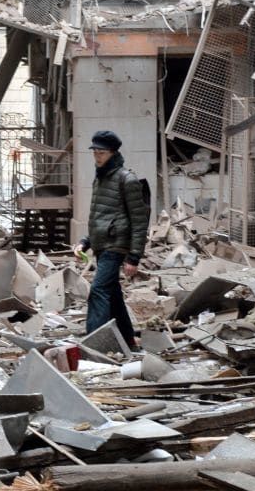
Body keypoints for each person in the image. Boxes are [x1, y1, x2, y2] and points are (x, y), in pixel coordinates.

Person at [73, 130, 150, 350]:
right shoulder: (100, 179)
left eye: (102, 152)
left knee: (98, 291)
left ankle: (92, 347)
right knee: (112, 294)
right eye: (94, 151)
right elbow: (101, 217)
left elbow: (139, 221)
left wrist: (134, 256)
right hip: (102, 243)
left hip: (116, 245)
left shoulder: (127, 179)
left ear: (113, 152)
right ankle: (127, 339)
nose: (97, 156)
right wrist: (85, 242)